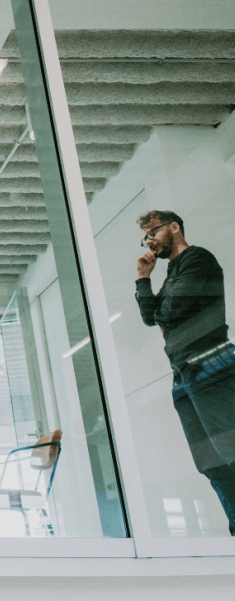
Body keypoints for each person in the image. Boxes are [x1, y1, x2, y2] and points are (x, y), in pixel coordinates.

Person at [135, 210, 235, 534]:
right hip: (183, 375)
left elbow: (168, 311)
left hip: (210, 364)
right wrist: (143, 279)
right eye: (146, 236)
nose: (149, 241)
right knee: (210, 463)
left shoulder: (198, 259)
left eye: (153, 232)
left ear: (174, 228)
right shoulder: (171, 273)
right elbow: (152, 318)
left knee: (230, 451)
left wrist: (164, 316)